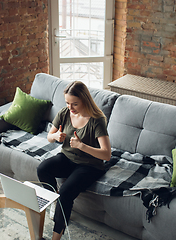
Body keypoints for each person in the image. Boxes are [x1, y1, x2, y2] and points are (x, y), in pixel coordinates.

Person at [37, 81, 111, 240]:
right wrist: (56, 137)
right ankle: (54, 201)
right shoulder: (65, 113)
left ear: (84, 100)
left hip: (89, 165)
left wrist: (82, 146)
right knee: (42, 169)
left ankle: (55, 237)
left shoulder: (97, 120)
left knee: (65, 192)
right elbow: (49, 136)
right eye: (67, 103)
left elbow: (106, 154)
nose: (70, 107)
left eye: (75, 104)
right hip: (67, 158)